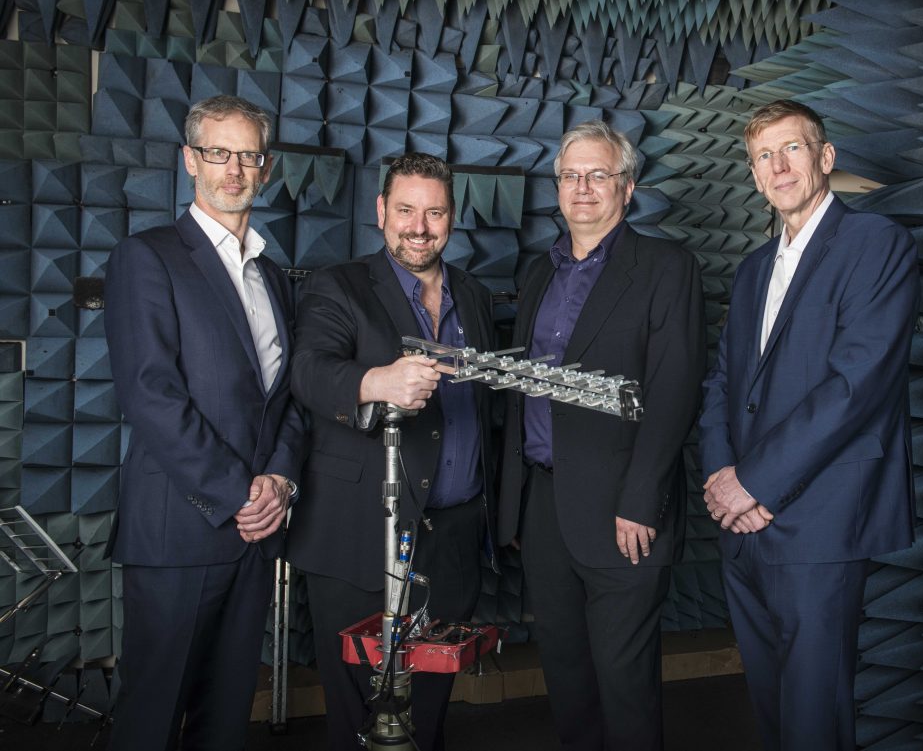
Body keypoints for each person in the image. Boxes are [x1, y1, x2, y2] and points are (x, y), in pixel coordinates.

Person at [698, 99, 920, 750]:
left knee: (814, 718)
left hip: (819, 522)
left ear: (825, 158)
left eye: (792, 148)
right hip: (741, 524)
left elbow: (856, 386)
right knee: (772, 710)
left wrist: (756, 484)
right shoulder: (751, 271)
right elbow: (722, 382)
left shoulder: (877, 244)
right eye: (764, 155)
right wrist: (719, 473)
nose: (778, 164)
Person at [103, 95, 305, 751]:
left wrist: (278, 476)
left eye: (248, 155)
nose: (234, 170)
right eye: (219, 153)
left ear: (266, 166)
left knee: (224, 722)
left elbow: (286, 397)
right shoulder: (148, 256)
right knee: (152, 718)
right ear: (191, 160)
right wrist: (236, 492)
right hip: (180, 530)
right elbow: (149, 392)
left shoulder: (273, 276)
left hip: (253, 533)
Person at [496, 120, 706, 751]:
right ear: (557, 187)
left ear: (628, 186)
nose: (582, 187)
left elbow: (675, 390)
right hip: (542, 507)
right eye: (570, 175)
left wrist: (641, 500)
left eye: (598, 175)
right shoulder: (540, 272)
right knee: (565, 672)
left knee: (624, 679)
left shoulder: (666, 267)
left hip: (622, 511)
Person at [287, 152, 497, 751]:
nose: (419, 226)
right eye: (405, 209)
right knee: (360, 706)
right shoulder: (341, 285)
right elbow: (308, 371)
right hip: (359, 530)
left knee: (427, 705)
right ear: (381, 211)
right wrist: (375, 383)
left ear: (452, 218)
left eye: (434, 212)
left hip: (451, 535)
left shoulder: (475, 296)